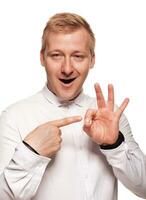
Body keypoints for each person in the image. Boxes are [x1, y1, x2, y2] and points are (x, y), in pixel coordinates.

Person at [0, 12, 146, 200]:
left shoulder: (110, 116)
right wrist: (31, 152)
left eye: (78, 56)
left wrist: (114, 144)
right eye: (56, 55)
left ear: (92, 60)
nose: (67, 68)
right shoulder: (13, 117)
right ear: (42, 58)